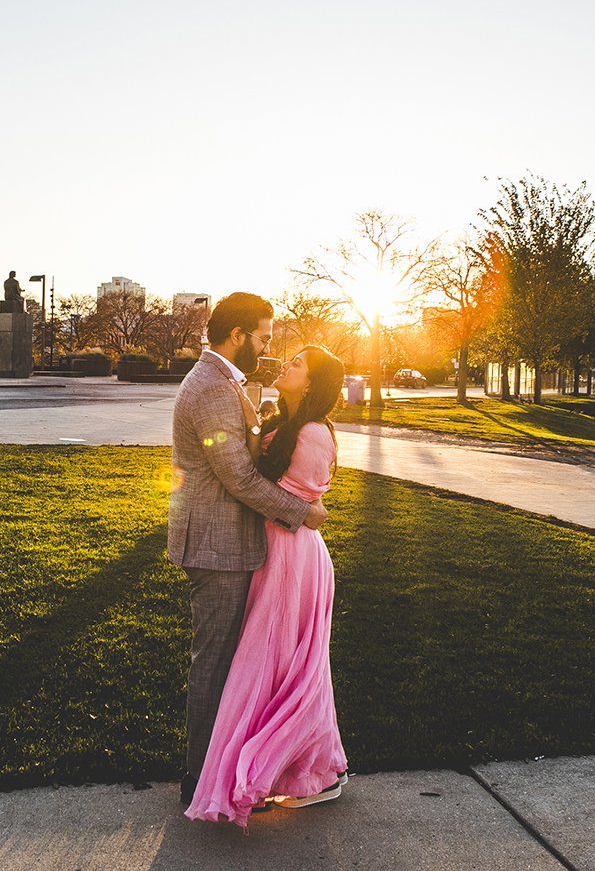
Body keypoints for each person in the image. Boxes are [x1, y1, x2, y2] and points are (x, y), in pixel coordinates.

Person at [168, 293, 328, 806]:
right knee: (214, 664)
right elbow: (235, 474)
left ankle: (222, 771)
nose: (265, 349)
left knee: (227, 664)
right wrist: (301, 511)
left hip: (227, 543)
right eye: (261, 337)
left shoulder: (222, 383)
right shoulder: (213, 387)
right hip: (217, 547)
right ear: (237, 335)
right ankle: (201, 780)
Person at [185, 344, 349, 828]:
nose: (286, 365)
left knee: (283, 665)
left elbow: (277, 493)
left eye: (297, 364)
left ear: (313, 382)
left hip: (293, 556)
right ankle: (281, 768)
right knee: (273, 665)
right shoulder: (283, 420)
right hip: (272, 551)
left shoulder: (315, 433)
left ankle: (308, 771)